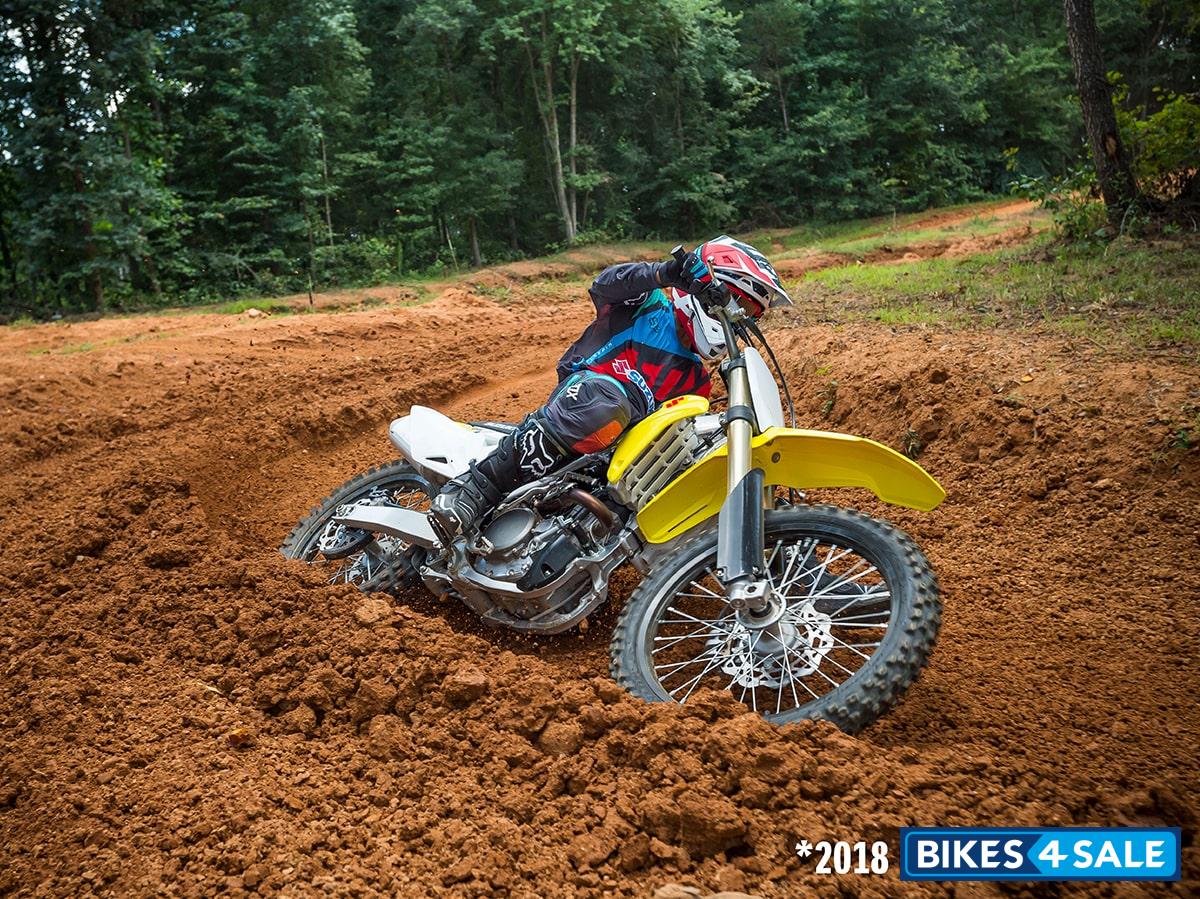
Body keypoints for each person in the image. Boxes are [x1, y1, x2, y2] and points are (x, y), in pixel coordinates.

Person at [428, 236, 792, 542]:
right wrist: (665, 273)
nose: (738, 317)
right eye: (736, 302)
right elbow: (605, 284)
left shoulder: (697, 381)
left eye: (750, 314)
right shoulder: (649, 305)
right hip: (583, 401)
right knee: (608, 403)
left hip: (612, 461)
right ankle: (474, 488)